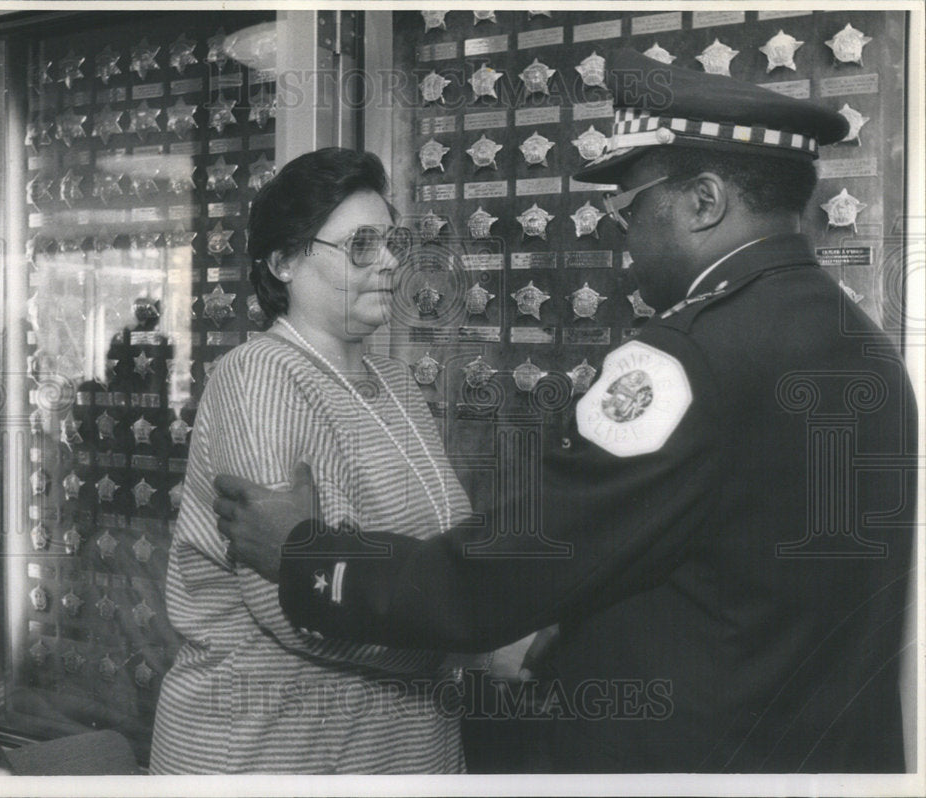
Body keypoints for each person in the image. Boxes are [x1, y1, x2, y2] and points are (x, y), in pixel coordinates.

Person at [213, 51, 917, 772]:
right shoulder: (859, 343)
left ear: (705, 201)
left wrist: (306, 556)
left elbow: (493, 575)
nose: (622, 234)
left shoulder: (683, 363)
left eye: (632, 206)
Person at [150, 148, 531, 774]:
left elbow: (445, 551)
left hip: (400, 748)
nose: (388, 262)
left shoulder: (396, 382)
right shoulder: (261, 375)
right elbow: (295, 606)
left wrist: (477, 620)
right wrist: (484, 644)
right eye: (360, 245)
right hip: (273, 752)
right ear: (284, 262)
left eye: (391, 242)